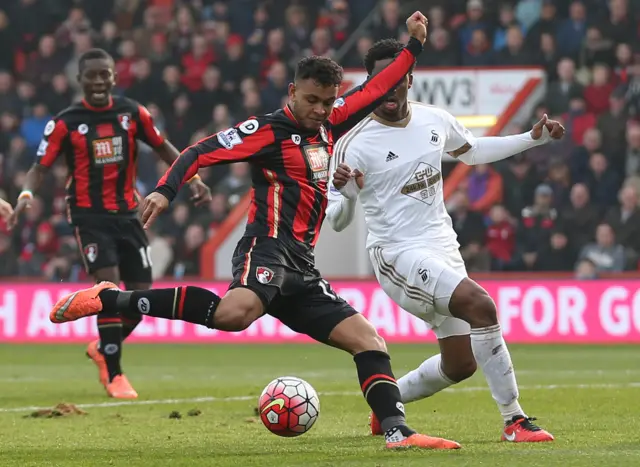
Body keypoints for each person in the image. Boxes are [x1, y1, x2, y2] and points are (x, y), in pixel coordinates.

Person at [48, 13, 462, 451]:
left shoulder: (331, 121)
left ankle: (398, 432)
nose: (320, 110)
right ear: (292, 93)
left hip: (301, 263)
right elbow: (198, 152)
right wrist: (167, 190)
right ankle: (108, 298)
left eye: (327, 101)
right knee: (233, 315)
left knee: (369, 340)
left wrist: (414, 45)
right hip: (266, 247)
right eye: (312, 100)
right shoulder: (265, 132)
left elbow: (376, 87)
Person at [326, 39, 562, 443]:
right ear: (369, 85)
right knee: (481, 305)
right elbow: (338, 221)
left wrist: (532, 138)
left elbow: (471, 152)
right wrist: (345, 193)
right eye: (378, 82)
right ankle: (515, 421)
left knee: (460, 365)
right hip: (395, 253)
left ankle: (387, 406)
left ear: (408, 80)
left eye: (395, 80)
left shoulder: (434, 119)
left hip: (442, 247)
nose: (388, 89)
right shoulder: (353, 143)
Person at [9, 48, 212, 399]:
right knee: (109, 289)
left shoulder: (133, 113)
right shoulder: (66, 121)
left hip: (128, 213)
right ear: (81, 80)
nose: (100, 80)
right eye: (93, 75)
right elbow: (40, 166)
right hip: (89, 216)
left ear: (114, 77)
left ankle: (103, 348)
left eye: (106, 74)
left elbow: (163, 147)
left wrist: (191, 178)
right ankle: (115, 374)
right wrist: (26, 194)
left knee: (139, 294)